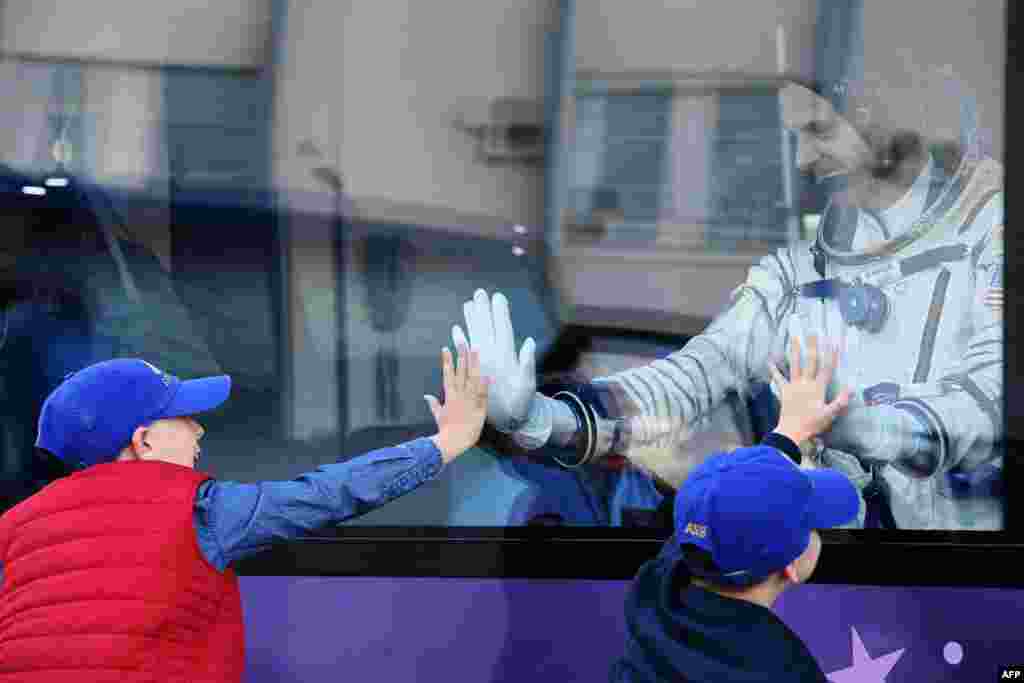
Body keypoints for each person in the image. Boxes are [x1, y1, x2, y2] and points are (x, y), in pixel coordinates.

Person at [454, 73, 1003, 530]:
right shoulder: (794, 275)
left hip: (964, 582)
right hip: (837, 581)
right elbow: (691, 379)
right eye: (796, 138)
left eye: (818, 131)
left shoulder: (986, 243)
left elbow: (987, 410)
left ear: (877, 121)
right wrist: (542, 420)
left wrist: (860, 427)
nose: (805, 160)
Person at [0, 344, 487, 681]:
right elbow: (326, 493)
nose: (199, 431)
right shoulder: (200, 511)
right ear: (143, 440)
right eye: (185, 416)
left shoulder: (14, 527)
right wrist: (447, 442)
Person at [610, 335, 857, 682]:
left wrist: (789, 433)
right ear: (791, 565)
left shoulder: (657, 598)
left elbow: (714, 517)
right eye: (812, 524)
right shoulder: (785, 672)